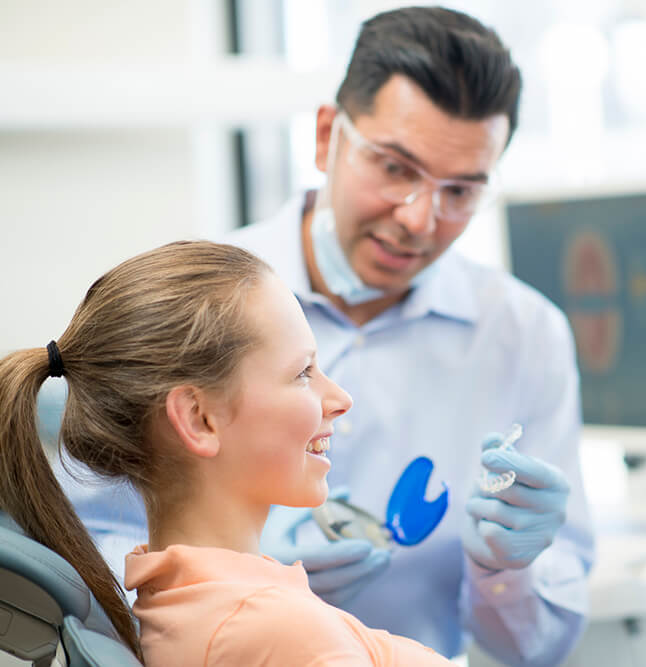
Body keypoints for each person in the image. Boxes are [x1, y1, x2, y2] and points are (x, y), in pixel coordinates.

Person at [55, 6, 594, 666]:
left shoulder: (524, 335)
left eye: (460, 190)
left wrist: (508, 572)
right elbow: (74, 555)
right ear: (325, 136)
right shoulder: (200, 301)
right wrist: (239, 568)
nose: (420, 219)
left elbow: (536, 649)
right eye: (395, 168)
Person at [1, 240, 453, 665]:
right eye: (303, 373)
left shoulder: (187, 598)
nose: (339, 398)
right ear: (199, 418)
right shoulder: (276, 630)